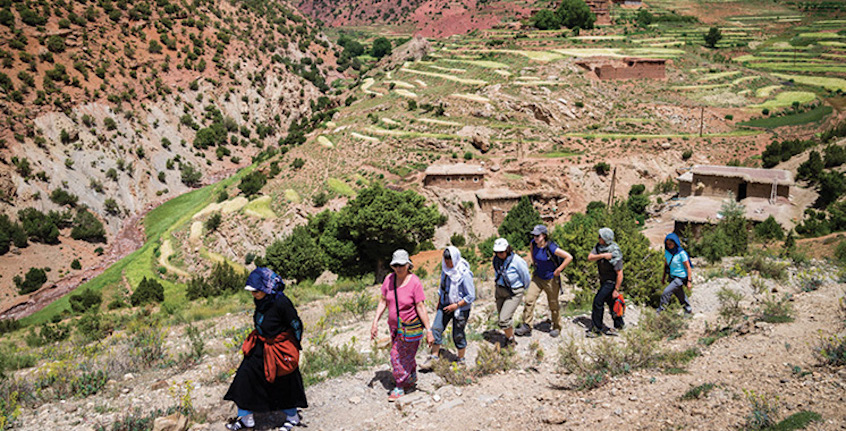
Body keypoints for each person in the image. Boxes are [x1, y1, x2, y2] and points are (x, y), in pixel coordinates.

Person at [224, 268, 307, 431]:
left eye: (256, 290)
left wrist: (294, 346)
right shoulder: (261, 300)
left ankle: (292, 416)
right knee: (245, 376)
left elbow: (296, 324)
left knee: (283, 381)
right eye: (252, 291)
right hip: (261, 345)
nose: (253, 294)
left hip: (279, 348)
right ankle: (246, 418)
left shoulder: (282, 302)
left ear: (266, 288)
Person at [370, 249, 434, 402]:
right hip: (394, 327)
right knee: (405, 356)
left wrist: (429, 330)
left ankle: (400, 385)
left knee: (396, 356)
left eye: (401, 265)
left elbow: (420, 306)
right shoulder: (389, 280)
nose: (398, 268)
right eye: (396, 265)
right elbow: (383, 301)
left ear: (408, 265)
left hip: (410, 328)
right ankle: (410, 378)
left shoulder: (414, 282)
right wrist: (375, 322)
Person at [420, 246, 476, 370]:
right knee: (436, 328)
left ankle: (461, 360)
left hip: (460, 308)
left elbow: (471, 295)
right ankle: (434, 357)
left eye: (450, 261)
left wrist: (456, 305)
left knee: (458, 333)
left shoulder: (464, 273)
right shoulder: (445, 271)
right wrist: (440, 302)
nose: (448, 263)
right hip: (445, 304)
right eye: (446, 261)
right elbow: (442, 288)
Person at [515, 224, 573, 338]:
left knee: (553, 304)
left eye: (537, 235)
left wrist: (559, 270)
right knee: (529, 300)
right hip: (538, 277)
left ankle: (556, 327)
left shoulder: (551, 247)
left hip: (551, 279)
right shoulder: (533, 244)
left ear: (544, 236)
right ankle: (527, 325)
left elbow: (569, 257)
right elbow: (533, 255)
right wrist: (535, 265)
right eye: (534, 235)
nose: (535, 237)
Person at [491, 238, 531, 346]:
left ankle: (511, 341)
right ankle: (509, 336)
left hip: (514, 292)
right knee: (502, 317)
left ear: (507, 249)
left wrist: (523, 290)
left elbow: (526, 277)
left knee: (503, 320)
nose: (499, 254)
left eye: (502, 252)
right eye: (497, 252)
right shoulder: (496, 260)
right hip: (500, 290)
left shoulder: (517, 261)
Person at [586, 228, 625, 337]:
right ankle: (619, 325)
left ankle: (596, 329)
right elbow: (590, 257)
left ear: (605, 239)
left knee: (598, 302)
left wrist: (616, 289)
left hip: (611, 282)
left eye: (600, 236)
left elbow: (620, 273)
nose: (598, 238)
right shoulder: (599, 247)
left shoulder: (615, 252)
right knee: (612, 303)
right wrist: (603, 255)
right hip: (604, 281)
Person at [659, 233, 693, 314]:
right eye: (667, 244)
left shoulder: (681, 253)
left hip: (681, 277)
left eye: (670, 244)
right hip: (672, 277)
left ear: (675, 243)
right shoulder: (667, 252)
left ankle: (661, 311)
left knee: (666, 292)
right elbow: (666, 265)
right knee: (680, 295)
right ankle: (688, 309)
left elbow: (688, 267)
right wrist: (663, 278)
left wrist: (689, 281)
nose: (669, 245)